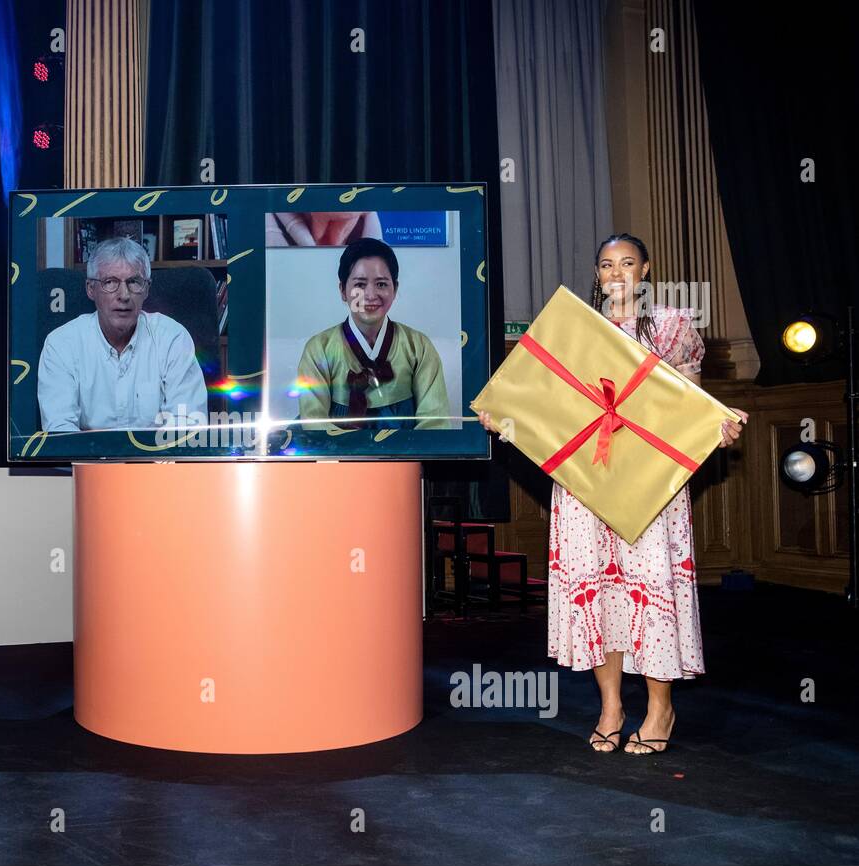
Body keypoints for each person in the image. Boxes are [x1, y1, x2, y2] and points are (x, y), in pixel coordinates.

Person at [478, 233, 748, 755]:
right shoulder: (574, 330)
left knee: (650, 592)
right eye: (606, 265)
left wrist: (720, 426)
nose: (616, 273)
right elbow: (542, 403)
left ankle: (661, 708)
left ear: (646, 270)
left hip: (649, 486)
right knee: (598, 595)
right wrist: (504, 415)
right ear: (597, 274)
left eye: (627, 263)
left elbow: (692, 405)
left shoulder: (672, 326)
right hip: (584, 484)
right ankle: (610, 707)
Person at [36, 237, 208, 432]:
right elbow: (60, 431)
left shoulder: (173, 338)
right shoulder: (61, 344)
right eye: (110, 282)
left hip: (158, 461)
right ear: (91, 289)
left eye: (134, 282)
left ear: (146, 290)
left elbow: (187, 427)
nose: (124, 295)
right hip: (88, 461)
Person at [295, 237, 450, 430]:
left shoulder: (418, 347)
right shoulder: (318, 349)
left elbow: (434, 423)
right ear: (343, 290)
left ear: (395, 289)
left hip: (406, 456)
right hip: (336, 457)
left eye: (381, 284)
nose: (370, 295)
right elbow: (314, 423)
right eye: (360, 284)